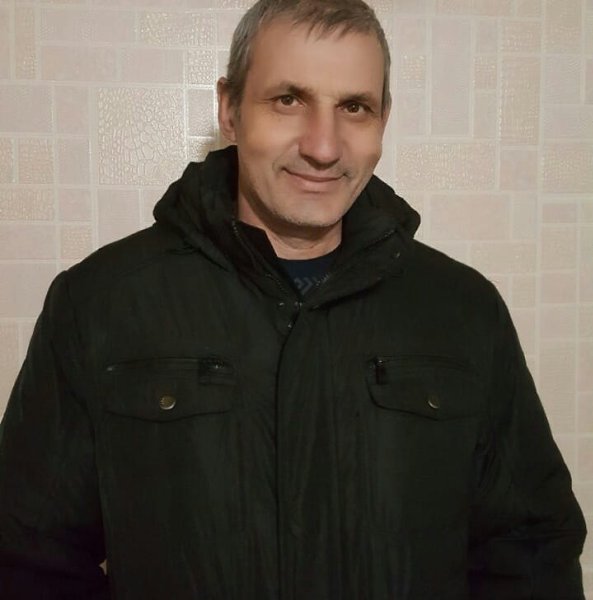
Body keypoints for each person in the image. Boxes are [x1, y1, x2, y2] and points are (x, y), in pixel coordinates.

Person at [0, 0, 586, 598]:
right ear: (229, 110)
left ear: (383, 120)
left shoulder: (464, 310)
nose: (323, 147)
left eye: (354, 107)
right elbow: (27, 559)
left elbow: (531, 554)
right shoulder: (100, 304)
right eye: (288, 100)